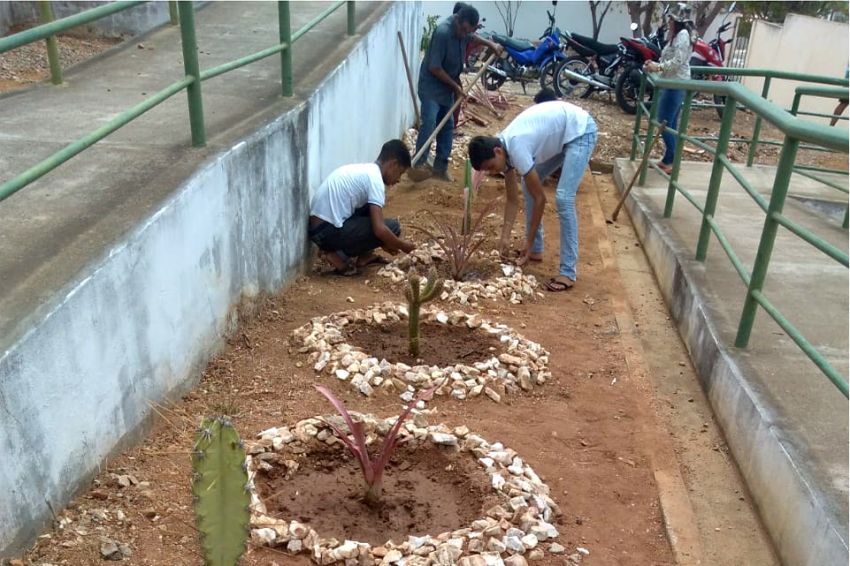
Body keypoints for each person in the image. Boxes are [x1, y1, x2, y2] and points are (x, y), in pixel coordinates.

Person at [468, 100, 597, 291]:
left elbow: (541, 199)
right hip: (563, 135)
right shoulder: (503, 148)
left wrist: (525, 242)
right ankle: (536, 250)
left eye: (491, 167)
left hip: (581, 131)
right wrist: (504, 238)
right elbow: (512, 200)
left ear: (497, 151)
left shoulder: (516, 147)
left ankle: (568, 272)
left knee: (563, 197)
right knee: (527, 184)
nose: (493, 171)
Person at [410, 4, 502, 183]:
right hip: (431, 86)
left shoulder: (465, 30)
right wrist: (456, 87)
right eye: (462, 29)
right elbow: (435, 67)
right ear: (457, 20)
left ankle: (440, 167)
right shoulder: (443, 32)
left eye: (467, 30)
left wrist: (490, 44)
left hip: (447, 87)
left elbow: (471, 36)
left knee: (447, 125)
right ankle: (419, 164)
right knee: (429, 122)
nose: (463, 33)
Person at [308, 140, 416, 275]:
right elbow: (379, 230)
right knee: (393, 227)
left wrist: (384, 242)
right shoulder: (375, 180)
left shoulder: (366, 170)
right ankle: (337, 255)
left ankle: (365, 256)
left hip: (318, 229)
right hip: (326, 231)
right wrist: (403, 246)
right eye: (400, 173)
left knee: (370, 209)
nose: (398, 179)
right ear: (393, 164)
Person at [643, 3, 695, 175]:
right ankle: (668, 159)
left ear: (677, 20)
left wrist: (657, 67)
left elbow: (677, 62)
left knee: (663, 121)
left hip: (676, 84)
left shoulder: (682, 36)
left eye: (671, 18)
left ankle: (672, 160)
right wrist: (653, 64)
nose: (669, 21)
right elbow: (667, 56)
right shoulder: (675, 35)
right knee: (670, 123)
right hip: (670, 83)